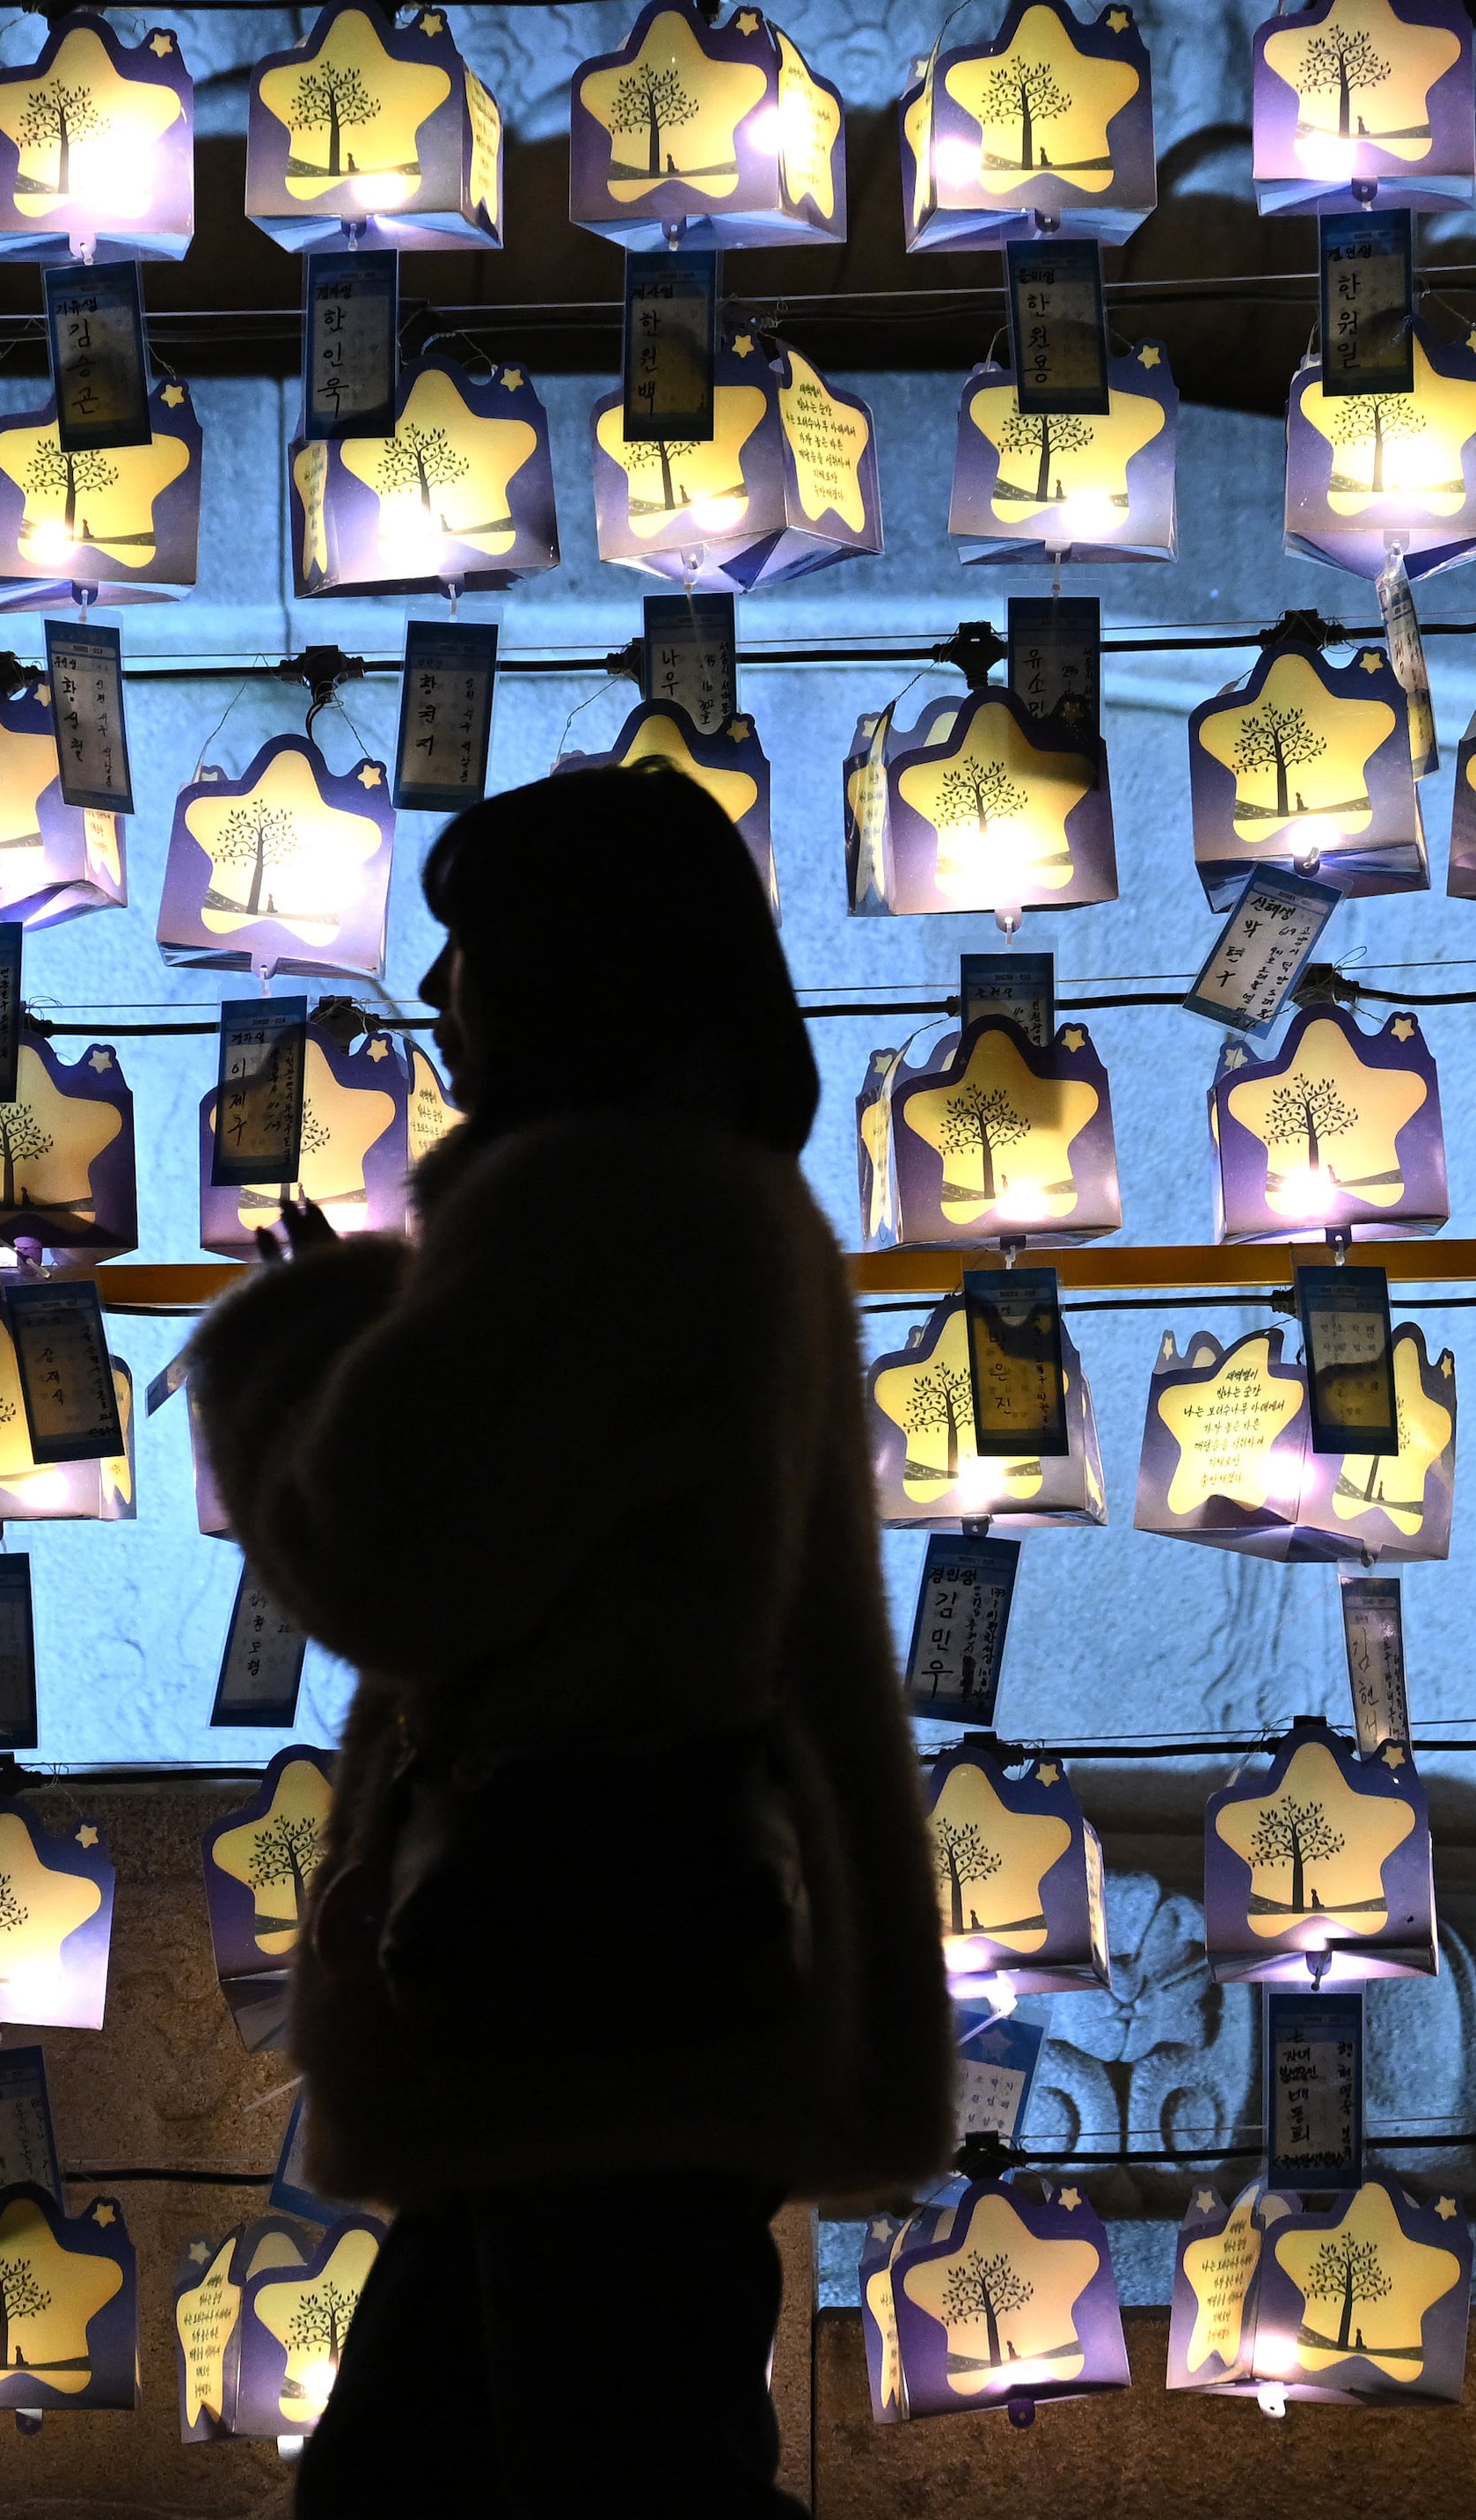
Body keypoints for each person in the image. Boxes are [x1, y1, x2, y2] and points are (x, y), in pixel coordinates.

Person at [188, 766, 949, 2517]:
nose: (436, 992)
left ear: (568, 972)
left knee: (582, 2468)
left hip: (580, 1986)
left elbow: (382, 1557)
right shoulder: (721, 1196)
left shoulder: (592, 1204)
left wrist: (306, 1332)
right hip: (645, 1968)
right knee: (479, 2460)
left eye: (470, 947)